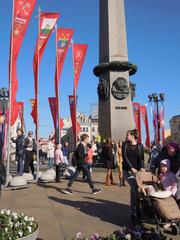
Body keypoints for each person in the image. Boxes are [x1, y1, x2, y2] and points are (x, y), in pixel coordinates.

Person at [122, 129, 145, 222]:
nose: (126, 136)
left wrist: (142, 168)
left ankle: (133, 213)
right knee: (135, 188)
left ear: (132, 136)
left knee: (133, 192)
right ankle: (137, 211)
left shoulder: (140, 145)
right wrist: (131, 167)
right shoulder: (125, 144)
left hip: (138, 172)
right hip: (127, 171)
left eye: (128, 135)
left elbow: (142, 159)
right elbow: (125, 157)